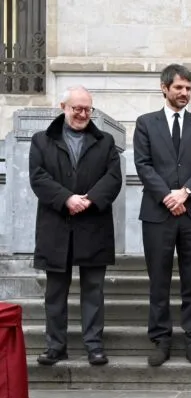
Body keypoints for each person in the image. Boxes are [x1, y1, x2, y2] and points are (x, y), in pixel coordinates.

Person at [29, 86, 122, 366]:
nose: (82, 114)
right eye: (77, 109)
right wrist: (66, 198)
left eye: (87, 109)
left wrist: (89, 200)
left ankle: (94, 345)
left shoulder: (105, 141)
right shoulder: (41, 141)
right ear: (63, 107)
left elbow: (113, 178)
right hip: (56, 226)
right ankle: (55, 346)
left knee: (94, 291)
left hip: (93, 225)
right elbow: (38, 177)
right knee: (55, 292)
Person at [134, 64, 191, 367]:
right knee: (158, 279)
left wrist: (186, 193)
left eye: (188, 88)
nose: (185, 93)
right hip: (157, 214)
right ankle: (161, 338)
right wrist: (168, 196)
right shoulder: (146, 123)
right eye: (179, 87)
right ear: (164, 87)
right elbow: (143, 165)